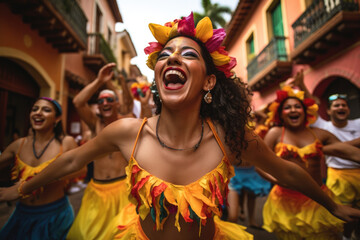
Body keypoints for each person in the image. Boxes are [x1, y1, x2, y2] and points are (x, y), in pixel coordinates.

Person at [1, 12, 360, 240]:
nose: (173, 57)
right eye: (167, 54)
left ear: (208, 82)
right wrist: (20, 189)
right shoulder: (128, 131)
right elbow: (70, 162)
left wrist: (332, 205)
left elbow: (286, 171)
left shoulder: (229, 137)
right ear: (158, 77)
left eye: (188, 54)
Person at [261, 85, 360, 239]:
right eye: (288, 107)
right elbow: (260, 164)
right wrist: (276, 180)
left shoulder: (320, 134)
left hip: (319, 199)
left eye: (297, 107)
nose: (293, 110)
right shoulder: (275, 134)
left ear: (305, 111)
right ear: (280, 114)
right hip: (285, 200)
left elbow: (345, 150)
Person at [66, 63, 147, 240]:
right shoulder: (95, 123)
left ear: (117, 103)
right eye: (101, 100)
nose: (104, 103)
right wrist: (99, 81)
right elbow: (78, 102)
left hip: (123, 191)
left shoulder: (126, 122)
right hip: (96, 191)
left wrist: (122, 83)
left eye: (109, 99)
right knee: (84, 235)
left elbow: (133, 105)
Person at [289, 71, 360, 239]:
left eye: (344, 105)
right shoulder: (323, 127)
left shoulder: (358, 123)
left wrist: (329, 148)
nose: (341, 107)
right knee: (343, 213)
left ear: (349, 109)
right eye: (336, 105)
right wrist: (302, 85)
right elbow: (312, 101)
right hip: (338, 175)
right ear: (328, 111)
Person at [0, 97, 83, 239]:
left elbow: (82, 170)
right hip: (22, 214)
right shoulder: (18, 145)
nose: (38, 113)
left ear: (56, 119)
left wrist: (39, 180)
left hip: (55, 216)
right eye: (34, 109)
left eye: (46, 110)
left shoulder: (66, 142)